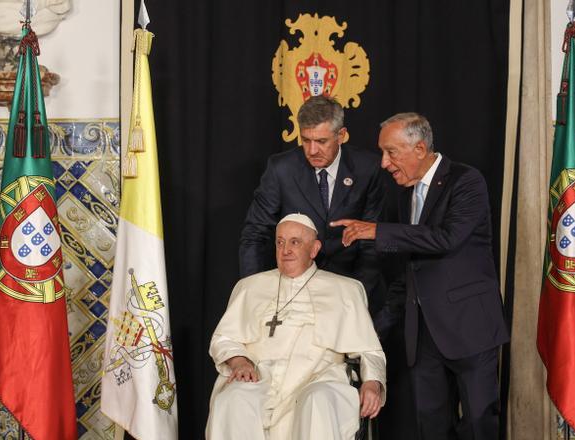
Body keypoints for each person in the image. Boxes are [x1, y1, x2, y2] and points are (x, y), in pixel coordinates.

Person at [332, 113, 509, 440]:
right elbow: (409, 268)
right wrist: (375, 327)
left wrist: (377, 231)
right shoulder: (401, 194)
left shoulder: (466, 181)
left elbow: (447, 238)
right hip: (422, 335)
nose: (384, 163)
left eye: (391, 152)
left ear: (420, 148)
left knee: (478, 424)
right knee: (430, 428)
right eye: (383, 153)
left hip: (469, 327)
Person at [207, 213, 386, 440]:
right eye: (280, 242)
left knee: (317, 401)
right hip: (260, 378)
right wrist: (240, 361)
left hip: (319, 378)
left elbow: (370, 350)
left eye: (295, 242)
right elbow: (223, 338)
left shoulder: (346, 290)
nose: (285, 250)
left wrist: (372, 382)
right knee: (233, 400)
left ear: (314, 249)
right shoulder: (249, 287)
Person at [239, 95, 384, 312]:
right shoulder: (281, 169)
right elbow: (255, 234)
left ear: (341, 135)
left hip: (349, 286)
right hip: (290, 290)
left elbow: (372, 239)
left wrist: (358, 294)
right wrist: (255, 292)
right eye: (306, 140)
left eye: (322, 141)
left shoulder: (368, 168)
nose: (312, 150)